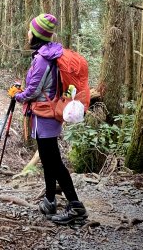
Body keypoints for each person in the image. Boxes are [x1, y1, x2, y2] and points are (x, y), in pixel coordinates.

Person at [7, 13, 88, 225]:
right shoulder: (48, 54)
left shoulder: (43, 59)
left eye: (29, 30)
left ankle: (76, 207)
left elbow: (33, 91)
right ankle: (50, 200)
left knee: (54, 162)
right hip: (46, 115)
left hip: (45, 116)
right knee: (48, 159)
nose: (27, 33)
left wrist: (17, 95)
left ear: (35, 34)